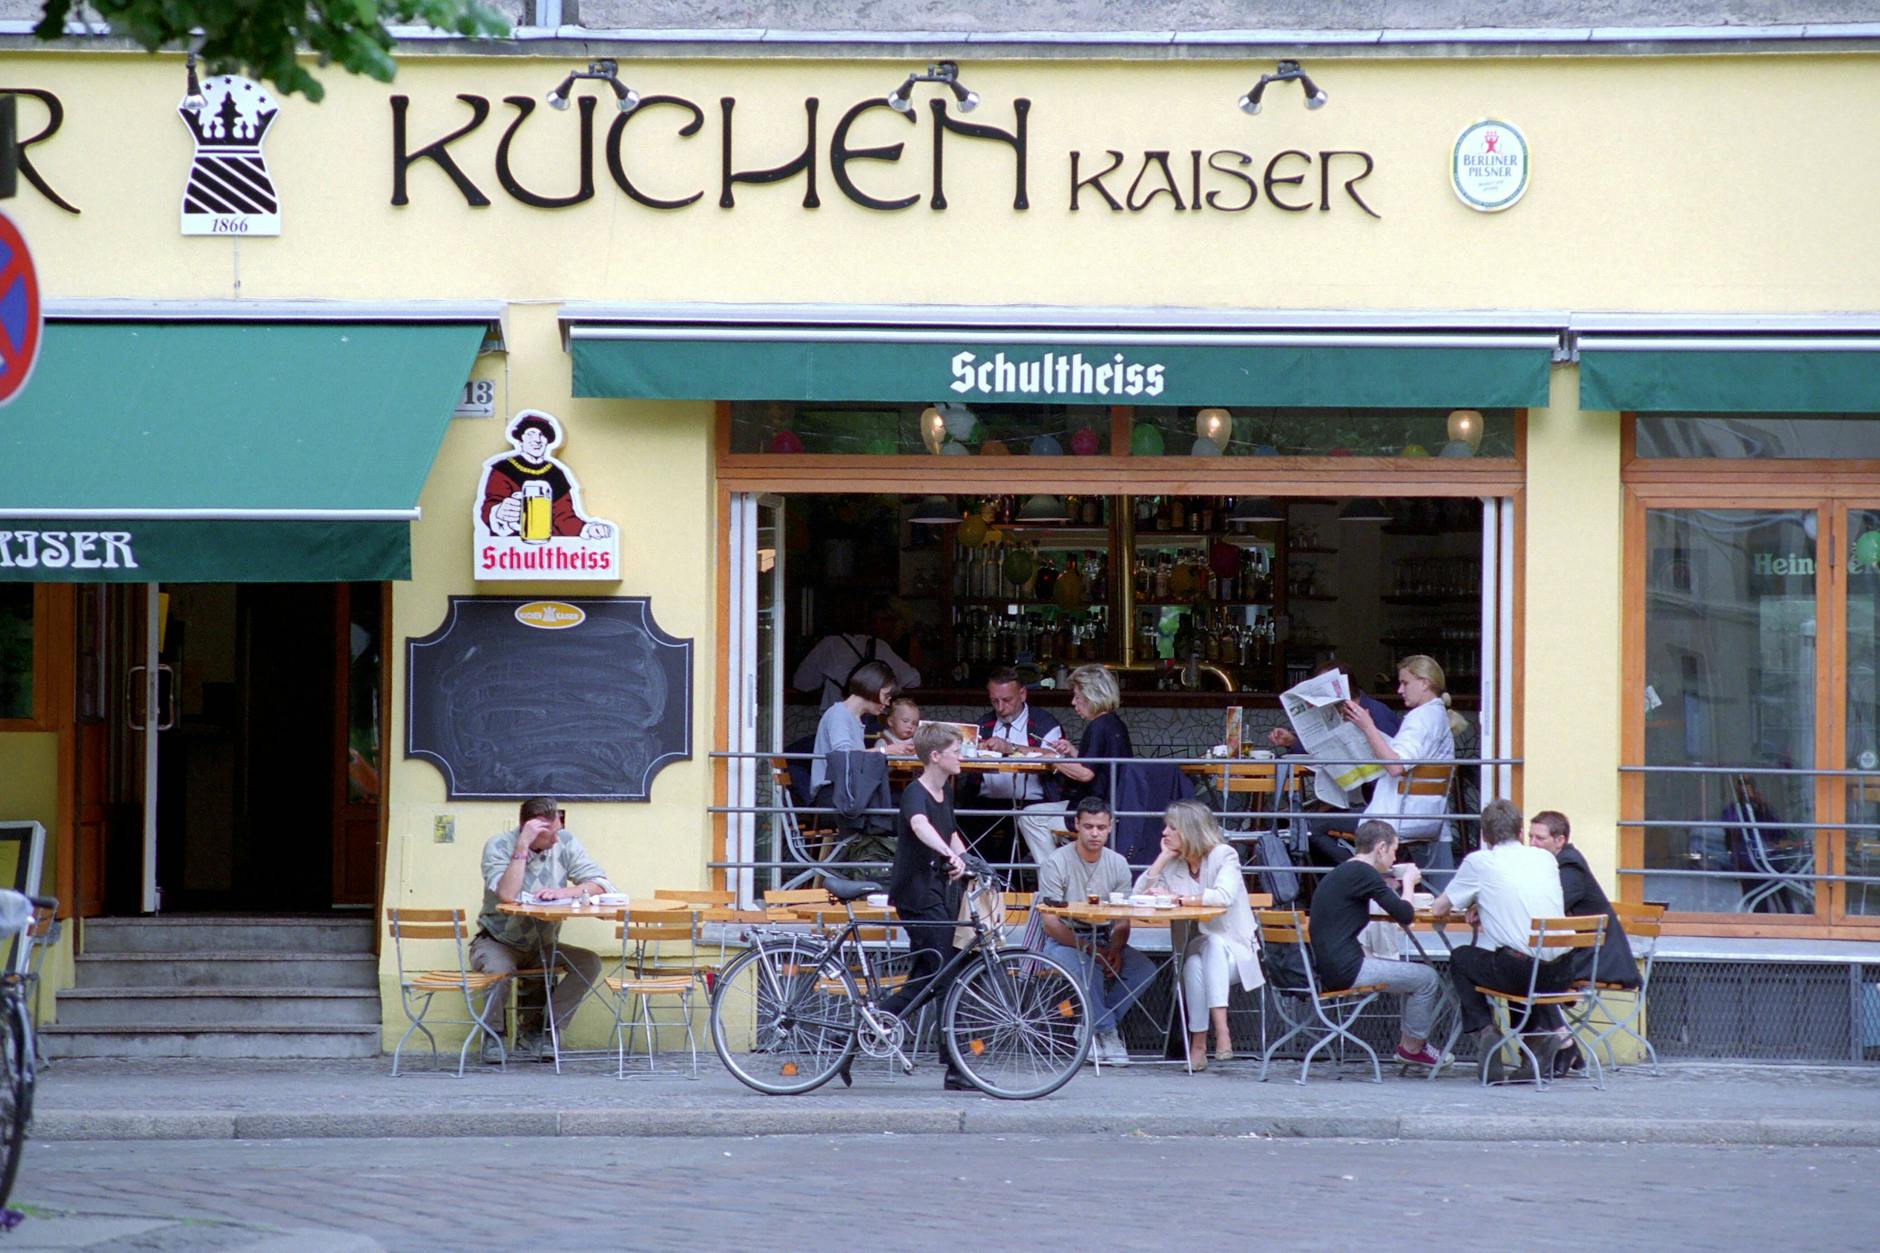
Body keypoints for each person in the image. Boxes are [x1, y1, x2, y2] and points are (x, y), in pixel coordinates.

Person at [1429, 798, 1569, 1080]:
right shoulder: (1545, 858)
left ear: (1484, 836)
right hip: (1563, 972)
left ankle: (1485, 1032)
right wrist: (1483, 903)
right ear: (1520, 832)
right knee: (1514, 961)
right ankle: (1533, 1044)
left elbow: (1439, 908)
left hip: (1520, 970)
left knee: (1462, 957)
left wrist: (1477, 901)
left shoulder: (1480, 862)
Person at [472, 797, 610, 1062]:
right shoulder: (499, 846)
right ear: (529, 828)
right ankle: (494, 1034)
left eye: (558, 830)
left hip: (542, 945)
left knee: (588, 962)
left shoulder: (565, 842)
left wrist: (561, 892)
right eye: (551, 834)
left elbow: (600, 883)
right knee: (499, 970)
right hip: (498, 940)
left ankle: (544, 1030)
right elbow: (507, 895)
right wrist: (522, 847)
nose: (557, 840)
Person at [1135, 799, 1263, 1070]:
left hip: (1235, 953)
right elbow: (1137, 898)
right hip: (1199, 950)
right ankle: (1210, 1039)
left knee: (1212, 945)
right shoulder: (1175, 864)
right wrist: (1162, 859)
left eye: (1172, 828)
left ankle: (1208, 1038)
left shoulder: (1224, 855)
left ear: (1190, 830)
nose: (1164, 834)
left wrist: (1180, 898)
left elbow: (1223, 897)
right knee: (1195, 960)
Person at [1308, 819, 1445, 1066]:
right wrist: (1408, 883)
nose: (1394, 859)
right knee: (1427, 978)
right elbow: (1405, 914)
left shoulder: (1348, 870)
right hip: (1346, 969)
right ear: (1380, 848)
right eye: (1394, 851)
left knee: (1411, 977)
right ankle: (1412, 1048)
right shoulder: (1363, 873)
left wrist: (1386, 885)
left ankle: (1410, 1044)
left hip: (1332, 965)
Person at [881, 722, 973, 1091]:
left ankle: (864, 1030)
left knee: (926, 977)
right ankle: (955, 1066)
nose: (961, 756)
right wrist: (949, 853)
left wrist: (970, 861)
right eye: (956, 750)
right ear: (936, 756)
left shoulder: (943, 792)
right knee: (945, 973)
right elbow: (921, 827)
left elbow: (948, 830)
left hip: (938, 890)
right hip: (917, 894)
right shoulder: (914, 794)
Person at [1037, 798, 1157, 1066]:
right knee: (1087, 966)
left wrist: (1113, 949)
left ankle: (1090, 1026)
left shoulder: (1117, 863)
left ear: (1110, 827)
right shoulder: (1056, 862)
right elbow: (1050, 923)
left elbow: (1123, 918)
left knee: (1145, 970)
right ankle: (1106, 1031)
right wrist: (1091, 950)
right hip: (1065, 940)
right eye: (1089, 826)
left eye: (1101, 827)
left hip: (1104, 936)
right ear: (1076, 825)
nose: (1094, 833)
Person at [1529, 809, 1639, 1076]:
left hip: (1601, 960)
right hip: (1582, 952)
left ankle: (1564, 1044)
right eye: (1529, 837)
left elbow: (1548, 908)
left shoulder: (1570, 868)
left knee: (1530, 976)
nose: (1532, 844)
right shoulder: (1556, 864)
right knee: (1528, 972)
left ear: (1560, 840)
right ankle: (1558, 1050)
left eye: (1539, 838)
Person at [1342, 654, 1464, 868]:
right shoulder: (1437, 716)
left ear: (1425, 683)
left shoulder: (1422, 718)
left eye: (1405, 683)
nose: (1399, 690)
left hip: (1399, 815)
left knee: (1317, 823)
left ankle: (1358, 874)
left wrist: (1368, 727)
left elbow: (1395, 766)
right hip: (1427, 813)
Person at [975, 667, 1068, 868]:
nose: (1000, 708)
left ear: (1023, 694)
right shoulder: (983, 725)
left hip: (1031, 803)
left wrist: (1011, 748)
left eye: (1007, 700)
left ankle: (1009, 887)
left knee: (1011, 843)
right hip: (985, 803)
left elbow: (1055, 758)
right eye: (994, 701)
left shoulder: (1045, 724)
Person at [808, 660, 897, 865]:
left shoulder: (850, 717)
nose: (888, 703)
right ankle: (871, 870)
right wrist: (885, 751)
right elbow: (844, 756)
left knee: (898, 808)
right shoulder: (840, 715)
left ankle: (870, 870)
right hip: (833, 797)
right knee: (899, 814)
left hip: (841, 795)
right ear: (873, 688)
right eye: (886, 695)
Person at [478, 411, 615, 539]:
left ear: (547, 440)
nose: (537, 440)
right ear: (520, 438)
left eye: (542, 435)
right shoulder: (503, 469)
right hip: (510, 553)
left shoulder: (556, 473)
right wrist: (498, 512)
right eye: (530, 434)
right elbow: (489, 506)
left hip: (546, 554)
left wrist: (586, 529)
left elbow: (564, 517)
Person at [792, 603, 921, 710]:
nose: (878, 625)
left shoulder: (829, 645)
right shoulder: (879, 647)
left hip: (835, 715)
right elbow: (913, 680)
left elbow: (801, 683)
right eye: (874, 620)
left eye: (885, 620)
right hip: (868, 717)